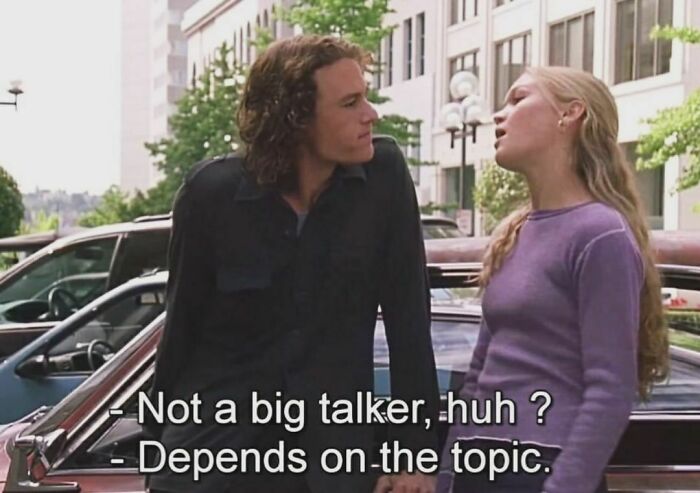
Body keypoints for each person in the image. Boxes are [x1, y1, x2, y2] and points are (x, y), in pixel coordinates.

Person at [145, 35, 440, 493]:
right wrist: (159, 441)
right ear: (295, 118)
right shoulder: (211, 193)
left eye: (365, 97)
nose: (371, 114)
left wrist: (415, 454)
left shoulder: (383, 179)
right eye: (350, 103)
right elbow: (181, 328)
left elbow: (410, 323)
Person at [436, 66, 669, 493]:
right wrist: (448, 477)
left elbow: (610, 389)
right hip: (480, 464)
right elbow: (479, 376)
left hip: (542, 466)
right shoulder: (514, 232)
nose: (498, 115)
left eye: (518, 99)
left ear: (570, 114)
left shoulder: (600, 234)